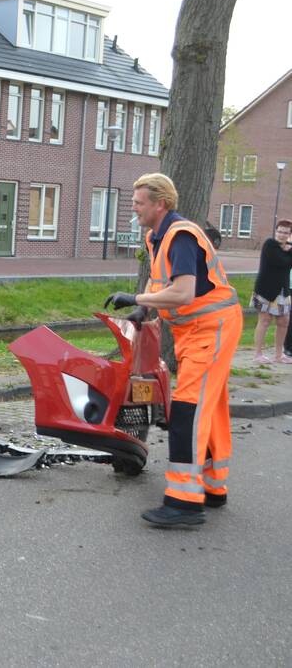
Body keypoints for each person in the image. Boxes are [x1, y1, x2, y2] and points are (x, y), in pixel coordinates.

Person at [104, 173, 242, 528]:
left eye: (138, 202)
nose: (133, 208)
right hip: (200, 331)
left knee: (187, 411)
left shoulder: (181, 236)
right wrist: (145, 309)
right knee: (209, 408)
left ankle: (184, 502)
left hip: (212, 329)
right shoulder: (157, 237)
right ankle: (213, 487)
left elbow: (182, 292)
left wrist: (136, 298)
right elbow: (160, 282)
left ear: (159, 204)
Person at [250, 219, 292, 364]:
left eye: (286, 233)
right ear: (276, 231)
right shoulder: (270, 244)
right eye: (280, 231)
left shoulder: (288, 247)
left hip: (283, 291)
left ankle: (279, 355)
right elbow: (282, 262)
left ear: (289, 235)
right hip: (266, 290)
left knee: (284, 321)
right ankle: (257, 354)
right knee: (265, 320)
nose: (282, 235)